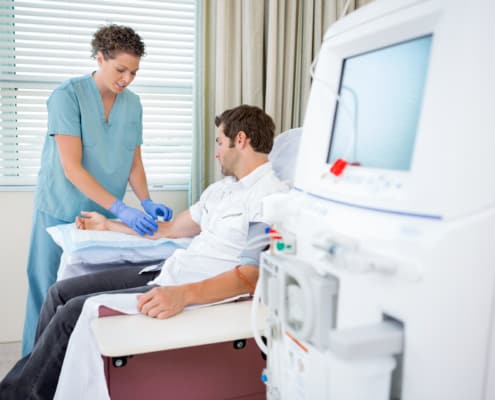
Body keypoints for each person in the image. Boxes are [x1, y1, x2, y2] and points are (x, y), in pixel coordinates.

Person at [0, 104, 289, 399]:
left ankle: (16, 395)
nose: (216, 152)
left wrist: (184, 294)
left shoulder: (270, 196)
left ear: (240, 140)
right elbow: (170, 229)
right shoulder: (222, 191)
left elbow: (250, 275)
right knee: (58, 293)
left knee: (71, 314)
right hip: (170, 270)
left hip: (186, 288)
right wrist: (109, 225)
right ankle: (40, 382)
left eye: (219, 142)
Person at [22, 24, 173, 356]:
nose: (127, 79)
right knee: (46, 289)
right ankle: (31, 367)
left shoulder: (132, 104)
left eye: (134, 72)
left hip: (100, 214)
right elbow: (72, 167)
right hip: (59, 206)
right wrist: (122, 209)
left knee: (83, 295)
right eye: (121, 69)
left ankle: (75, 367)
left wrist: (145, 201)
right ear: (100, 58)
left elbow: (134, 162)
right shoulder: (67, 96)